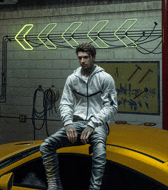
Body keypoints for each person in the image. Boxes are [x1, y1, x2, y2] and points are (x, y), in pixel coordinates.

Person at [40, 43, 118, 190]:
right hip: (77, 122)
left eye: (86, 57)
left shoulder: (105, 78)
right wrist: (68, 123)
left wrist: (93, 124)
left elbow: (112, 106)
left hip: (98, 124)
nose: (82, 61)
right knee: (46, 145)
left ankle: (94, 188)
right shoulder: (72, 79)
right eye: (80, 58)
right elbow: (65, 104)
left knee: (100, 149)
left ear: (93, 57)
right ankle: (54, 185)